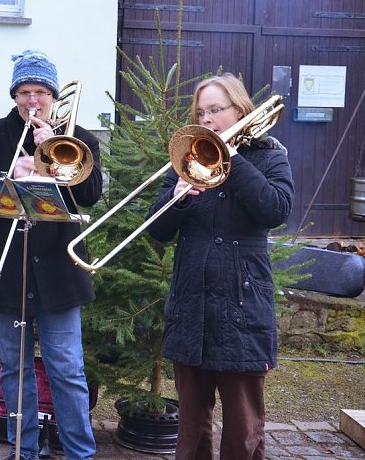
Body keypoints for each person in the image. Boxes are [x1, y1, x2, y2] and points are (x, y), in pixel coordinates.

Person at [0, 50, 103, 460]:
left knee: (68, 370)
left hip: (60, 269)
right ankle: (21, 451)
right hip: (6, 269)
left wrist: (58, 159)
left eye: (41, 91)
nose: (33, 100)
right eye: (25, 91)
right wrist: (13, 176)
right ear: (14, 94)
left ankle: (80, 454)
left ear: (55, 96)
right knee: (14, 369)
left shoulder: (79, 139)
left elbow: (91, 196)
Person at [145, 73, 294, 460]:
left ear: (240, 110)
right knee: (191, 424)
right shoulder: (187, 158)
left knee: (244, 424)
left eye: (215, 110)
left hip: (242, 306)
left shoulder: (270, 155)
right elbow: (156, 232)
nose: (206, 119)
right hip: (191, 303)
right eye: (201, 111)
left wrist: (233, 159)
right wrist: (175, 198)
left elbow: (275, 210)